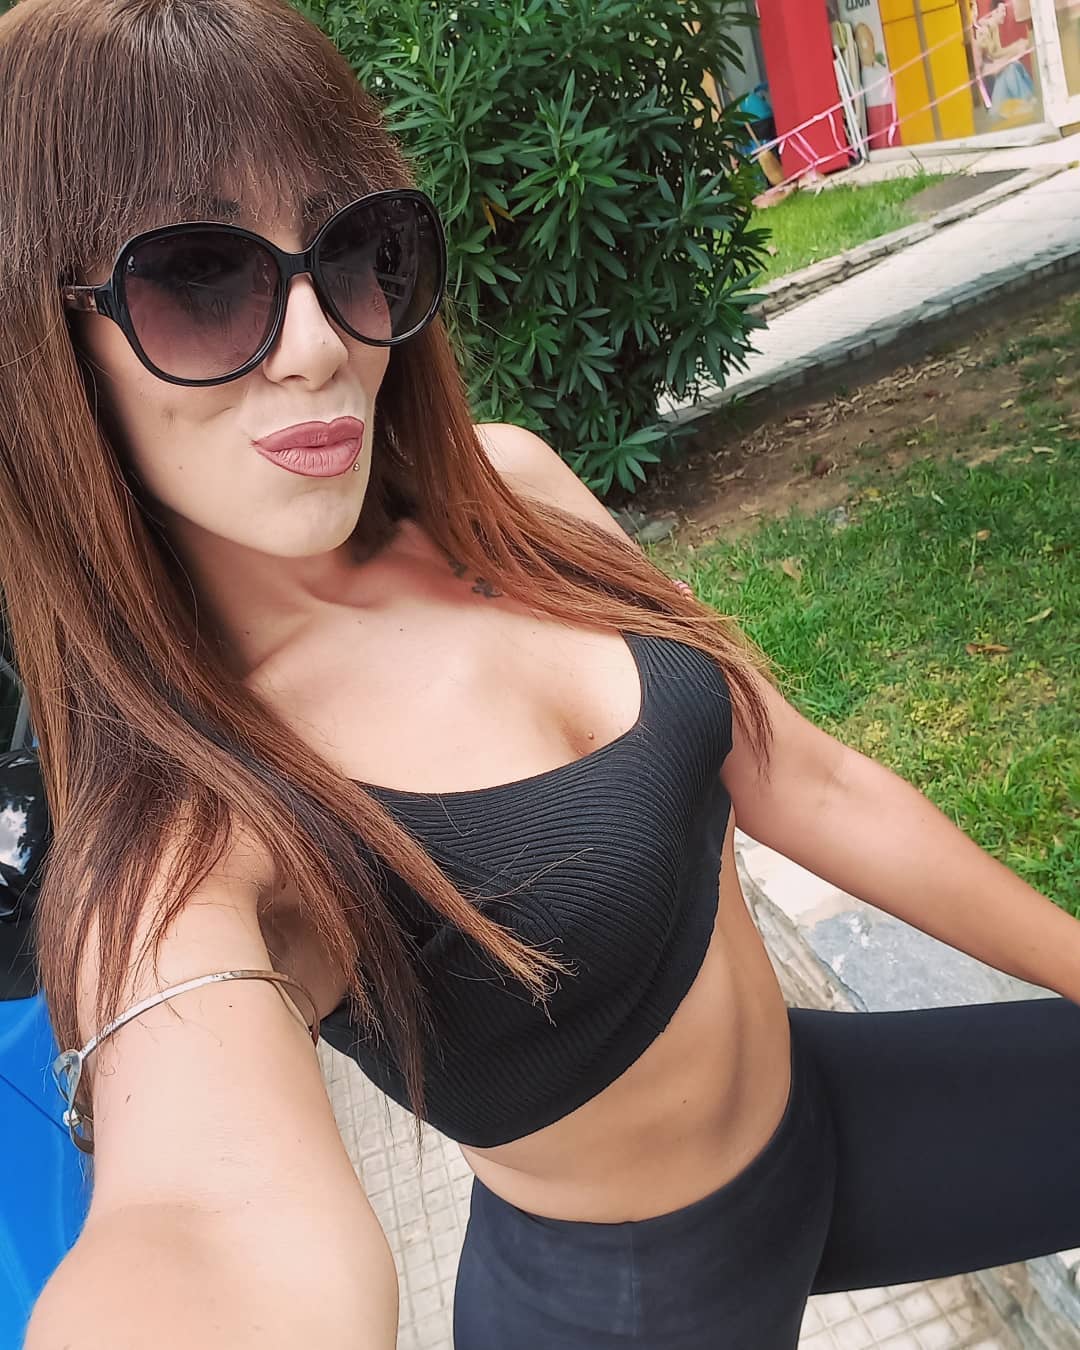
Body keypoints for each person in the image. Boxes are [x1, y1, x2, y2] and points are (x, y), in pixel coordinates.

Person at [2, 2, 1079, 1348]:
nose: (322, 343)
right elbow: (204, 1222)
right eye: (202, 277)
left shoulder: (509, 488)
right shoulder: (197, 828)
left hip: (828, 1120)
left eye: (353, 252)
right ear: (48, 351)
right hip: (626, 1304)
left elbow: (803, 773)